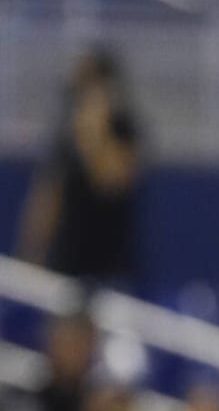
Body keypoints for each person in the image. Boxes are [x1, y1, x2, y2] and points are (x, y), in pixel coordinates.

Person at [16, 48, 142, 288]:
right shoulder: (65, 132)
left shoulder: (124, 129)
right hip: (68, 258)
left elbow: (112, 182)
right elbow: (48, 196)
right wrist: (31, 253)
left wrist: (94, 134)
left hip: (110, 261)